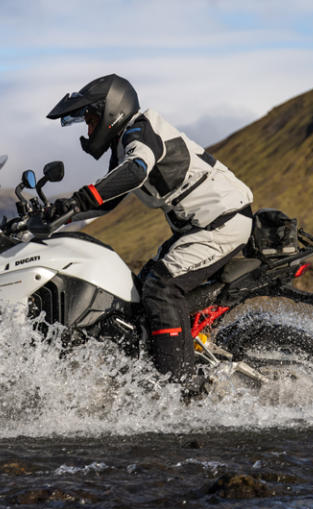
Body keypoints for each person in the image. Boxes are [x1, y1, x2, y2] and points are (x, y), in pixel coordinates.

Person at [46, 74, 253, 388]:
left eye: (91, 119)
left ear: (111, 112)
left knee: (161, 289)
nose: (89, 129)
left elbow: (136, 171)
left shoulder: (141, 132)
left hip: (221, 222)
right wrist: (58, 213)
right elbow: (106, 204)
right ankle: (161, 369)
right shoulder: (126, 142)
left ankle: (182, 388)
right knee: (139, 293)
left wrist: (83, 196)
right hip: (201, 226)